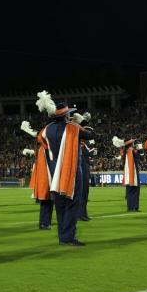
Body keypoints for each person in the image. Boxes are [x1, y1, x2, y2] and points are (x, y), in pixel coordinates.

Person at [37, 94, 94, 246]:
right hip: (71, 170)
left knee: (60, 205)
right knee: (72, 203)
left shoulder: (46, 130)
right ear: (66, 115)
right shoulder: (72, 128)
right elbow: (90, 134)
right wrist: (83, 121)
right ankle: (68, 237)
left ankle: (63, 237)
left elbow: (40, 140)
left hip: (54, 170)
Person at [21, 121, 53, 230]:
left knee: (48, 199)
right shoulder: (44, 150)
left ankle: (45, 222)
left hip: (46, 175)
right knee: (47, 198)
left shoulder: (42, 149)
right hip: (46, 176)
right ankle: (44, 223)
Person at [113, 136, 144, 212]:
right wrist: (141, 149)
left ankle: (131, 207)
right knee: (135, 190)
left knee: (129, 190)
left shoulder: (124, 151)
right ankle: (134, 207)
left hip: (128, 172)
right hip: (133, 171)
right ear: (130, 143)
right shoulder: (132, 150)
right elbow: (141, 158)